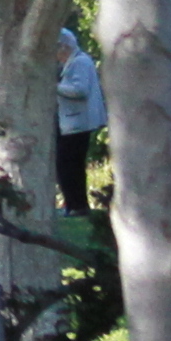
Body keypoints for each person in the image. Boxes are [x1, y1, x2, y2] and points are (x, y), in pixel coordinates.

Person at [53, 29, 106, 216]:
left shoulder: (80, 62)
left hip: (77, 123)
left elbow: (80, 90)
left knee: (68, 165)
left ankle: (76, 205)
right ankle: (73, 204)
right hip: (70, 123)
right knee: (67, 165)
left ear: (64, 47)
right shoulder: (73, 62)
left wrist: (55, 87)